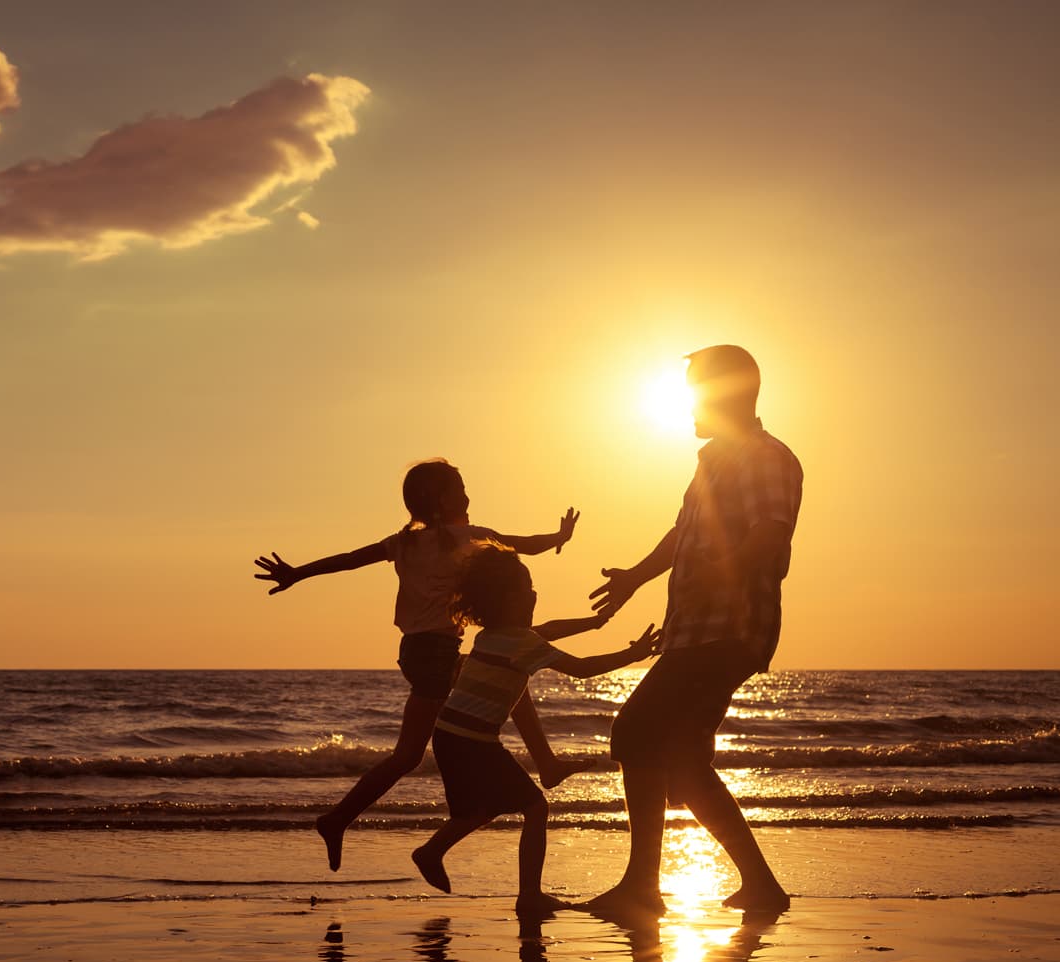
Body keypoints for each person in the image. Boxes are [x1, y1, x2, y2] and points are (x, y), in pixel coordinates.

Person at [253, 459, 593, 872]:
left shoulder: (404, 543)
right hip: (436, 655)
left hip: (414, 652)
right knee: (501, 675)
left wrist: (298, 573)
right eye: (461, 489)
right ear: (440, 500)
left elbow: (346, 559)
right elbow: (520, 543)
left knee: (414, 750)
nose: (468, 496)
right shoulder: (466, 536)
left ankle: (338, 818)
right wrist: (560, 536)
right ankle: (546, 763)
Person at [586, 344, 803, 916]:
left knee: (634, 732)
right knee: (683, 762)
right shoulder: (713, 462)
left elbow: (771, 535)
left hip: (727, 630)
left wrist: (720, 568)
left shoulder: (765, 457)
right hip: (696, 631)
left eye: (695, 394)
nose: (687, 408)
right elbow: (682, 533)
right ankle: (760, 885)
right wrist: (635, 575)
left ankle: (642, 886)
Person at [410, 542, 661, 915]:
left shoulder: (493, 635)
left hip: (450, 736)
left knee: (480, 810)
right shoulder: (523, 643)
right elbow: (582, 668)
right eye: (529, 589)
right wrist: (632, 655)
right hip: (474, 742)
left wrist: (594, 622)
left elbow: (551, 629)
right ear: (511, 600)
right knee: (535, 808)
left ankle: (431, 851)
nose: (535, 594)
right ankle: (529, 895)